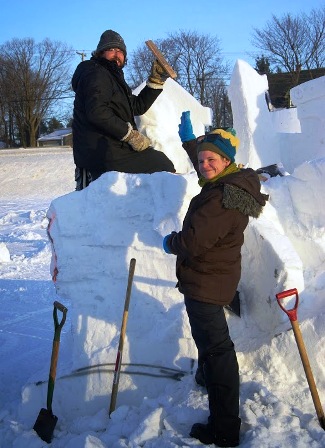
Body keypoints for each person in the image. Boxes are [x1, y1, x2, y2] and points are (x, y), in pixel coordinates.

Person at [162, 111, 267, 447]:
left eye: (211, 160)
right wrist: (191, 144)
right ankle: (207, 376)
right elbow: (207, 159)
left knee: (217, 351)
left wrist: (171, 242)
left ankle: (224, 428)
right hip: (216, 278)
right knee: (211, 344)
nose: (204, 164)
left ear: (227, 161)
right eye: (201, 158)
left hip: (206, 282)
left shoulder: (221, 197)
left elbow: (194, 242)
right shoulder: (232, 183)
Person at [71, 29, 175, 190]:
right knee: (161, 163)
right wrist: (130, 135)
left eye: (120, 51)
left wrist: (155, 82)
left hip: (111, 147)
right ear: (100, 53)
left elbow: (135, 106)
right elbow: (97, 112)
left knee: (159, 162)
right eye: (111, 49)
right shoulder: (95, 72)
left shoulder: (112, 78)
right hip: (100, 150)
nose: (116, 54)